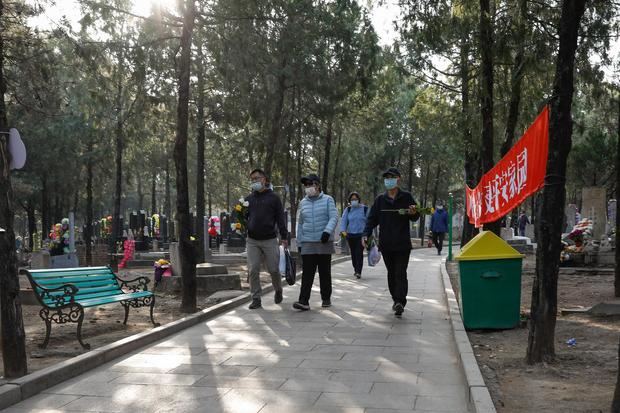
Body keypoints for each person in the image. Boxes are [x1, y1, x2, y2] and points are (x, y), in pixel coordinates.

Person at [363, 167, 420, 318]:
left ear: (398, 179)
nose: (389, 180)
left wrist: (414, 212)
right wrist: (366, 234)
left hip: (402, 244)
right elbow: (371, 219)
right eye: (386, 177)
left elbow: (415, 216)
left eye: (392, 177)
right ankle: (396, 300)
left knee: (400, 272)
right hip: (386, 243)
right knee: (391, 273)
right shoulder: (380, 200)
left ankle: (400, 301)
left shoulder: (406, 197)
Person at [293, 173, 338, 311]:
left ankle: (326, 298)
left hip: (323, 241)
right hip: (307, 242)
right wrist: (299, 242)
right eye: (306, 185)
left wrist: (327, 231)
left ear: (317, 185)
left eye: (310, 184)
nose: (308, 187)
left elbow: (334, 217)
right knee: (307, 273)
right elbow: (299, 224)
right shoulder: (302, 203)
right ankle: (303, 301)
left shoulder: (328, 199)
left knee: (324, 272)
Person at [245, 168, 288, 310]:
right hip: (252, 240)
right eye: (252, 179)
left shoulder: (274, 198)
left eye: (257, 178)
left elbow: (280, 219)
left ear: (264, 179)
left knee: (274, 269)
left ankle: (278, 289)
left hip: (269, 239)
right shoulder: (248, 199)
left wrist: (284, 237)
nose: (254, 181)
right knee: (253, 269)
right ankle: (256, 298)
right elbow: (242, 217)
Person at [340, 192, 368, 279]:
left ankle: (358, 271)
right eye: (352, 199)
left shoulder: (365, 209)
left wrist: (368, 233)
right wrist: (343, 231)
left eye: (355, 199)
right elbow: (343, 221)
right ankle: (355, 269)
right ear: (349, 201)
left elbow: (369, 222)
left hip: (361, 235)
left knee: (359, 253)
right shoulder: (347, 210)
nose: (354, 201)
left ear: (359, 200)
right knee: (353, 253)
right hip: (350, 235)